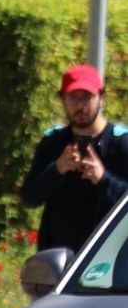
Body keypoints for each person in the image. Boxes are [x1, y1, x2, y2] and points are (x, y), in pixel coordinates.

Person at [20, 64, 128, 255]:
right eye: (72, 98)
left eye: (87, 97)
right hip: (59, 265)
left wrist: (103, 179)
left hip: (108, 264)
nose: (80, 105)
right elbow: (29, 197)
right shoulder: (53, 142)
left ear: (101, 98)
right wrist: (57, 169)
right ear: (62, 100)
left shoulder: (120, 143)